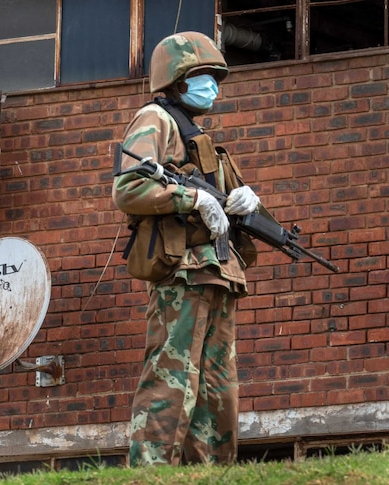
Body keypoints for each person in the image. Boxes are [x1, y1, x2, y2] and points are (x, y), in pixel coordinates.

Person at [113, 32, 261, 466]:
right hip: (182, 270)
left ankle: (211, 473)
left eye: (217, 78)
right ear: (177, 81)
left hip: (219, 271)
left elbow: (231, 207)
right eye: (203, 76)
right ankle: (152, 472)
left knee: (218, 385)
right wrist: (192, 199)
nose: (212, 86)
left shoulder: (201, 137)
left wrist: (247, 202)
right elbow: (129, 187)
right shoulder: (154, 119)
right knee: (172, 376)